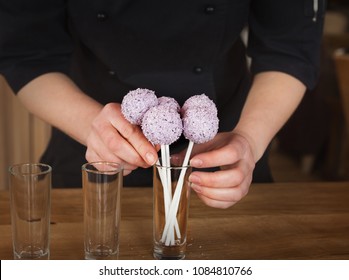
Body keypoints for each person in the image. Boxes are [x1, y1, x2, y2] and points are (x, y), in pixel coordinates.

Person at [0, 1, 325, 209]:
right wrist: (90, 126)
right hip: (90, 141)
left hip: (228, 143)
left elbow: (289, 49)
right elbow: (27, 55)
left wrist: (250, 141)